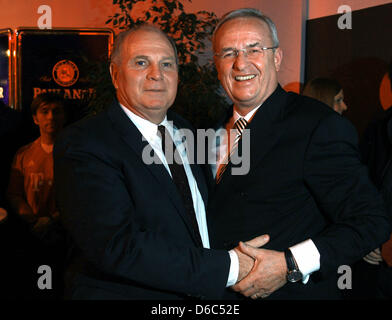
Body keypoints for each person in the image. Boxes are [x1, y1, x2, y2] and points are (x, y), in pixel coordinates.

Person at [53, 24, 265, 300]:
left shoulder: (187, 131)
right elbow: (118, 246)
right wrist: (233, 267)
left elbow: (200, 218)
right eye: (142, 63)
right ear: (115, 75)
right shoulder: (85, 143)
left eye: (167, 64)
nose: (157, 75)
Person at [206, 8, 391, 300]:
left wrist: (290, 264)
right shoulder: (209, 128)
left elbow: (370, 220)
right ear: (217, 64)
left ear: (276, 58)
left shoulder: (317, 125)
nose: (241, 63)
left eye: (254, 49)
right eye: (228, 53)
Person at [6, 93, 67, 298]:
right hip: (32, 236)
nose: (51, 117)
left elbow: (82, 198)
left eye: (56, 111)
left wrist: (51, 221)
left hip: (65, 238)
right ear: (35, 118)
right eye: (45, 111)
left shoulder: (76, 155)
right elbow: (14, 194)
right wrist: (34, 221)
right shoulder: (24, 154)